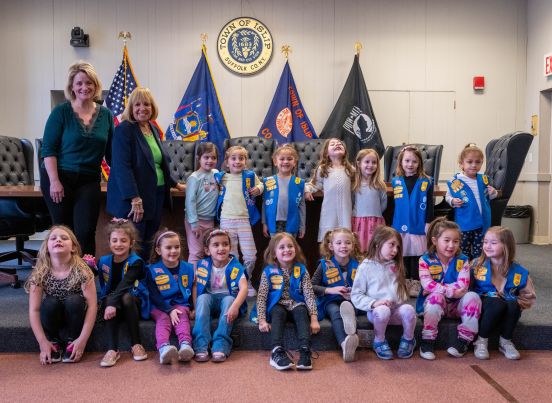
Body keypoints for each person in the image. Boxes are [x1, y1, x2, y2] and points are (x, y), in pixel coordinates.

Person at [40, 61, 114, 255]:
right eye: (79, 83)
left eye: (89, 83)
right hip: (59, 176)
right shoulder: (61, 112)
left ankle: (85, 277)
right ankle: (59, 276)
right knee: (62, 231)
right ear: (72, 87)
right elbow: (48, 150)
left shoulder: (106, 115)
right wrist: (54, 181)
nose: (84, 87)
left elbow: (113, 154)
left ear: (96, 86)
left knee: (85, 231)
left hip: (88, 179)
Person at [107, 87, 185, 260]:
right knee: (135, 242)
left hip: (155, 194)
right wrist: (134, 198)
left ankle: (142, 279)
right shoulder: (125, 129)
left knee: (149, 240)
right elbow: (121, 166)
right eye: (138, 104)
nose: (142, 108)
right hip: (135, 198)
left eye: (147, 104)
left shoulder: (152, 129)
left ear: (153, 107)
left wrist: (174, 183)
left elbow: (158, 163)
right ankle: (130, 282)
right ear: (131, 108)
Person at [26, 225, 97, 365]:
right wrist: (42, 342)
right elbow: (34, 310)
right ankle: (53, 341)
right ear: (47, 247)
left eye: (64, 238)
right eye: (53, 238)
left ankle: (73, 339)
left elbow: (93, 305)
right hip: (54, 314)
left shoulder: (82, 270)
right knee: (49, 303)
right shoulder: (40, 273)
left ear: (73, 248)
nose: (58, 240)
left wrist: (82, 340)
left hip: (76, 314)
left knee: (74, 300)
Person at [417, 218, 481, 360]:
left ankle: (464, 340)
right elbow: (427, 284)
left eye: (456, 241)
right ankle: (427, 341)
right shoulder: (424, 260)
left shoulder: (463, 260)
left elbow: (463, 286)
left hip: (456, 305)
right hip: (433, 304)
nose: (451, 245)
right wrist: (450, 290)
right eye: (446, 240)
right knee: (435, 298)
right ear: (435, 241)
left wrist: (439, 288)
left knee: (473, 297)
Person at [351, 226, 417, 360]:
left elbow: (400, 292)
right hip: (377, 313)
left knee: (409, 309)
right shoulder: (365, 267)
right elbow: (356, 294)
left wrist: (398, 299)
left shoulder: (395, 265)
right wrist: (375, 302)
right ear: (378, 242)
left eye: (397, 247)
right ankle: (379, 340)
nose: (395, 250)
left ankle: (408, 339)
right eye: (391, 245)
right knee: (382, 311)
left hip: (396, 311)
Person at [257, 233, 320, 371]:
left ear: (295, 249)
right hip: (277, 304)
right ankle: (276, 351)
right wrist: (262, 320)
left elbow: (309, 294)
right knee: (277, 313)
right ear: (274, 253)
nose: (287, 250)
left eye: (290, 246)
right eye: (282, 247)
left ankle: (304, 350)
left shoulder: (301, 269)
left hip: (296, 303)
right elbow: (261, 297)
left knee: (302, 311)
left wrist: (314, 319)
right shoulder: (268, 271)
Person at [472, 227, 536, 360]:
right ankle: (481, 340)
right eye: (485, 242)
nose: (487, 246)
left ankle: (505, 341)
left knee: (512, 304)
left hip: (506, 307)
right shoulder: (476, 265)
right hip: (483, 307)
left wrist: (512, 300)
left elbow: (528, 297)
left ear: (506, 246)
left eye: (493, 243)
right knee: (496, 303)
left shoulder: (520, 271)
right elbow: (466, 290)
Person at [94, 219, 147, 367]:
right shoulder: (104, 260)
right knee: (106, 299)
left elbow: (125, 285)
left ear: (131, 243)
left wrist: (111, 303)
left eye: (123, 240)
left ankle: (136, 344)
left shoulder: (136, 262)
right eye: (115, 240)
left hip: (132, 301)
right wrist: (90, 267)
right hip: (110, 302)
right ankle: (112, 349)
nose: (118, 244)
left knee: (126, 297)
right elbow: (93, 278)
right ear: (109, 242)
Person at [192, 229, 248, 363]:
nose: (221, 248)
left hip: (228, 303)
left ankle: (220, 344)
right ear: (207, 250)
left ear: (230, 247)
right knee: (203, 298)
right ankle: (201, 345)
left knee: (229, 299)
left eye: (225, 244)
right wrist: (195, 308)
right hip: (210, 301)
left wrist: (235, 306)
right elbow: (195, 286)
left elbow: (244, 288)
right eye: (216, 245)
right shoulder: (203, 265)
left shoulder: (236, 266)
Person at [214, 146, 264, 296]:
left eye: (241, 158)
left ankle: (246, 281)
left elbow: (261, 184)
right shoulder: (221, 177)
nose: (237, 161)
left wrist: (258, 190)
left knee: (250, 255)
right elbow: (209, 182)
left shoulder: (249, 176)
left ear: (245, 161)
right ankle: (234, 282)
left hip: (244, 220)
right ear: (227, 163)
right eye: (233, 158)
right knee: (232, 254)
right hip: (226, 220)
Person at [144, 229, 195, 365]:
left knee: (182, 314)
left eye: (176, 247)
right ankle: (163, 348)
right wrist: (168, 309)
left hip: (180, 303)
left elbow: (190, 289)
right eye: (168, 247)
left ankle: (185, 345)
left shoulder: (188, 268)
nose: (173, 251)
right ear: (158, 250)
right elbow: (154, 295)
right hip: (159, 305)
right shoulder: (152, 270)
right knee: (163, 318)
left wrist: (193, 307)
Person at [312, 228, 361, 362]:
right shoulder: (324, 265)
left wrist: (354, 292)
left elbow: (366, 286)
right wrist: (330, 290)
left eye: (347, 243)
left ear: (353, 245)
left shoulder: (359, 265)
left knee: (351, 309)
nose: (343, 246)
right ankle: (345, 344)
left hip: (351, 299)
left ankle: (351, 335)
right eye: (339, 243)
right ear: (331, 246)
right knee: (335, 311)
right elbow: (311, 286)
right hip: (330, 300)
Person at [391, 145, 434, 297]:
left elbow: (429, 204)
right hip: (400, 226)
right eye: (407, 160)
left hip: (418, 225)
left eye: (414, 161)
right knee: (402, 255)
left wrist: (428, 223)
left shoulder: (426, 181)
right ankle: (404, 283)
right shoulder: (396, 181)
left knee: (416, 256)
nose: (410, 164)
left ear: (419, 163)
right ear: (401, 162)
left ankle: (415, 282)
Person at [446, 144, 498, 260]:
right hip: (464, 223)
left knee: (479, 250)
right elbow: (448, 197)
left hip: (482, 222)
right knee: (462, 250)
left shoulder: (484, 179)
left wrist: (493, 193)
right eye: (469, 162)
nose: (474, 165)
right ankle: (463, 271)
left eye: (478, 162)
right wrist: (452, 201)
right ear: (461, 164)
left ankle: (477, 270)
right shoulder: (456, 181)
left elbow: (491, 197)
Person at [305, 138, 355, 242]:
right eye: (333, 144)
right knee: (329, 241)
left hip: (346, 212)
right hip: (329, 213)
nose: (337, 144)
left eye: (340, 143)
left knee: (345, 240)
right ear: (326, 153)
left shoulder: (351, 169)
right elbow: (315, 184)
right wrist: (307, 190)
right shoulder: (323, 169)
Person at [185, 142, 219, 265]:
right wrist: (194, 223)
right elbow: (190, 202)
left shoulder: (216, 174)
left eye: (213, 157)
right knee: (196, 253)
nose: (210, 160)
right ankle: (192, 283)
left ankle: (204, 281)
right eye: (206, 157)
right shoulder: (194, 178)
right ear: (199, 158)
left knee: (208, 251)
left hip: (210, 221)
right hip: (196, 221)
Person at [262, 144, 306, 238]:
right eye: (282, 159)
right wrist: (264, 223)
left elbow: (302, 207)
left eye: (289, 159)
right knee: (275, 249)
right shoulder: (268, 181)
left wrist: (302, 226)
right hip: (273, 222)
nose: (285, 162)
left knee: (290, 248)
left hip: (292, 223)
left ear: (295, 162)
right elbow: (264, 204)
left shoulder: (300, 183)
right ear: (275, 162)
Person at [351, 148, 387, 252]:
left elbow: (383, 204)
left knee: (375, 251)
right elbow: (351, 202)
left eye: (374, 162)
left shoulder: (380, 185)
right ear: (358, 163)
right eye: (367, 162)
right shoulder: (354, 185)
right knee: (359, 251)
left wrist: (374, 215)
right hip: (358, 222)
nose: (370, 165)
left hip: (375, 223)